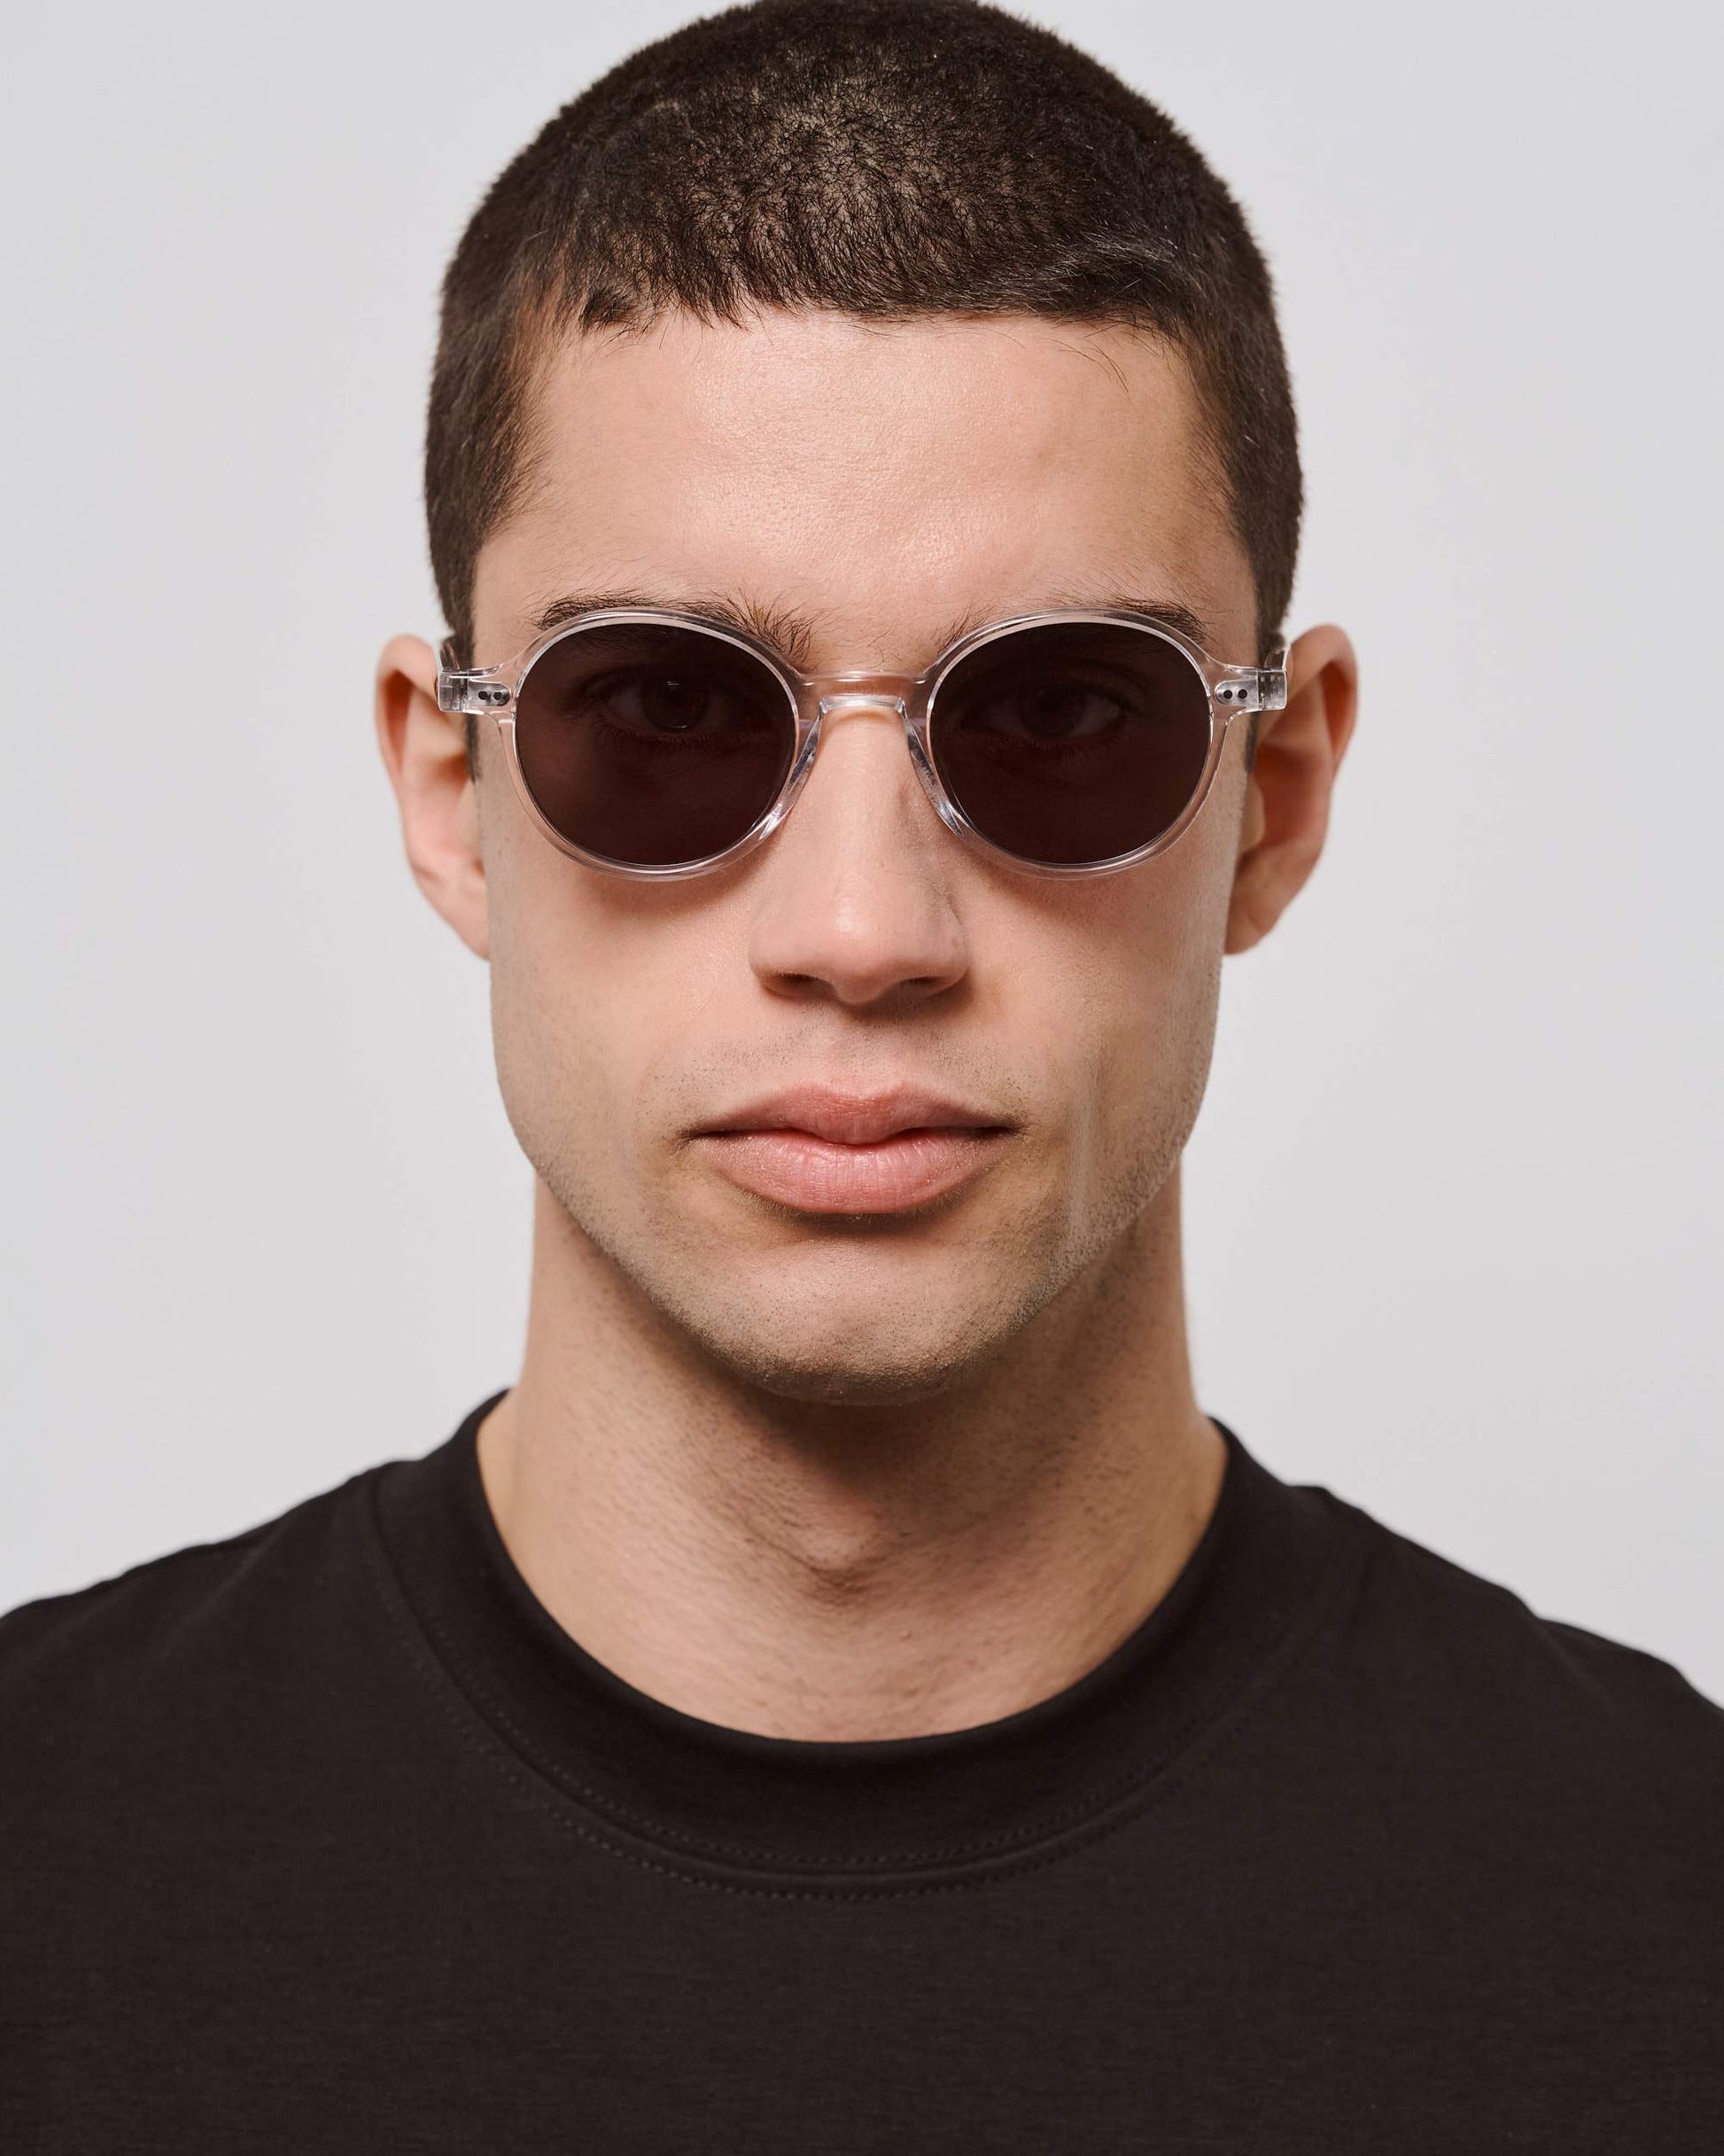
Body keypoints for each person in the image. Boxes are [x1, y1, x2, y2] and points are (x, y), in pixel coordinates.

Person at [4, 1, 1719, 2145]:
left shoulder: (1672, 1922)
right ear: (453, 792)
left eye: (1060, 713)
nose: (862, 927)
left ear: (1270, 797)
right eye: (667, 709)